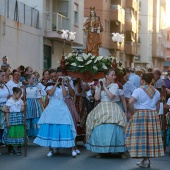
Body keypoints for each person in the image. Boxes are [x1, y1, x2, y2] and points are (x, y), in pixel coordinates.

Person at [34, 69, 77, 157]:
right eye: (52, 76)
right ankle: (50, 149)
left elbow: (65, 95)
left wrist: (62, 84)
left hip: (62, 107)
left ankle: (73, 148)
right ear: (50, 77)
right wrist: (56, 84)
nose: (54, 78)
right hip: (52, 107)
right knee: (51, 127)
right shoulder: (49, 85)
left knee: (66, 125)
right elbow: (50, 94)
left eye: (55, 76)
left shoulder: (63, 84)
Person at [125, 73, 164, 168]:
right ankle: (145, 159)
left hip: (140, 115)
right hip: (152, 115)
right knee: (149, 139)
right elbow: (158, 106)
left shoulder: (138, 90)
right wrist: (154, 113)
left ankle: (145, 159)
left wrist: (133, 111)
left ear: (142, 80)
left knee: (140, 138)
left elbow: (130, 102)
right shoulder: (156, 91)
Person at [86, 69, 127, 158]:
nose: (114, 77)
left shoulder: (115, 85)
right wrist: (100, 86)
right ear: (106, 76)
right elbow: (96, 98)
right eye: (112, 75)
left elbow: (111, 97)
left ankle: (120, 150)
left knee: (116, 126)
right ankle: (101, 150)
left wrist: (104, 86)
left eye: (114, 75)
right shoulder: (99, 85)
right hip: (102, 106)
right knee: (99, 126)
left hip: (112, 106)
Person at [2, 87, 25, 156]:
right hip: (12, 118)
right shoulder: (9, 101)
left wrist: (24, 105)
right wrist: (8, 121)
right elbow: (7, 112)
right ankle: (10, 148)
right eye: (19, 94)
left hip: (19, 118)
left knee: (19, 133)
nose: (20, 96)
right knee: (11, 133)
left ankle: (19, 148)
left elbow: (22, 110)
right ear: (15, 93)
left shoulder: (20, 101)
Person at [0, 69, 10, 148]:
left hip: (6, 107)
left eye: (4, 75)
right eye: (2, 76)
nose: (4, 77)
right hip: (1, 108)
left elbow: (9, 97)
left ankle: (4, 141)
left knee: (6, 125)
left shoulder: (6, 85)